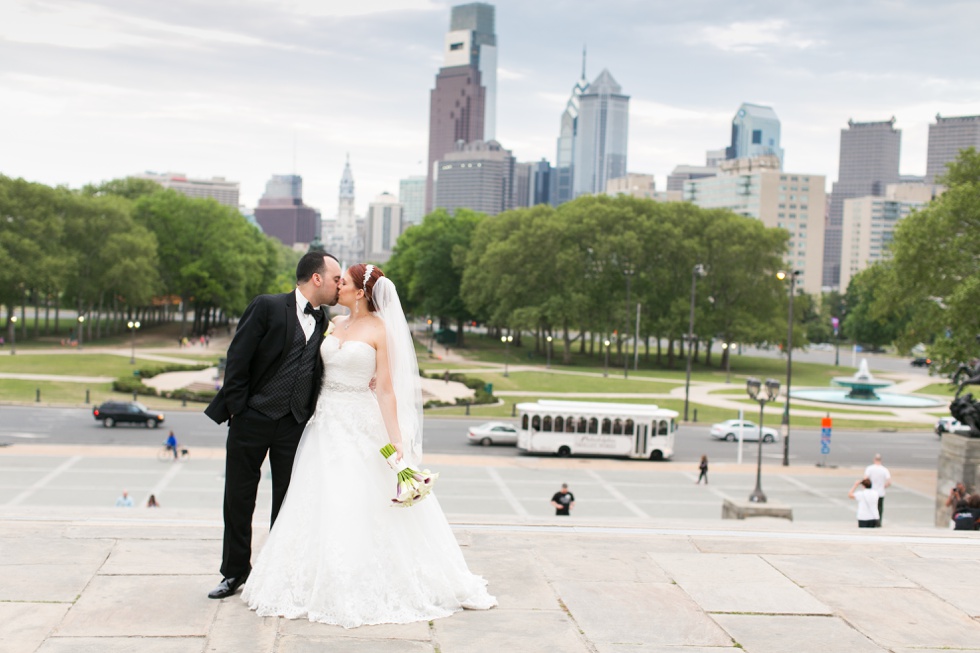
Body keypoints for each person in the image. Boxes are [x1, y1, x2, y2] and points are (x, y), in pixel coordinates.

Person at [241, 263, 496, 626]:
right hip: (325, 422)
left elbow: (388, 389)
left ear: (360, 293)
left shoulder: (381, 330)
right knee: (318, 498)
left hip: (361, 422)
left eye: (342, 281)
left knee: (356, 499)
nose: (336, 285)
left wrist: (396, 442)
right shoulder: (333, 324)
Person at [204, 252, 342, 600]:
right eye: (336, 278)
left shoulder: (325, 321)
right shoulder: (267, 307)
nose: (339, 285)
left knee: (287, 502)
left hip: (293, 425)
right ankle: (234, 572)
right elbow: (238, 359)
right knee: (238, 498)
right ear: (316, 278)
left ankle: (276, 573)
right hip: (252, 419)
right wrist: (239, 410)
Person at [864, 453, 891, 526]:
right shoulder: (884, 469)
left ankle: (870, 522)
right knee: (880, 508)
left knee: (870, 507)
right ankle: (879, 522)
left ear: (874, 460)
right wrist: (884, 486)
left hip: (871, 491)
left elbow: (865, 479)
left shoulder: (869, 468)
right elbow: (889, 481)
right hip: (881, 492)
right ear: (880, 460)